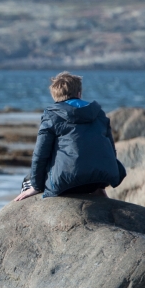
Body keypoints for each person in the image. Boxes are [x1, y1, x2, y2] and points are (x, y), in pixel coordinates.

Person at [14, 72, 126, 202]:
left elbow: (40, 154)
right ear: (79, 94)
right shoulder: (99, 113)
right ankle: (99, 190)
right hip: (100, 180)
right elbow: (110, 150)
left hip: (67, 183)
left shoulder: (52, 115)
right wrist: (100, 185)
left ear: (55, 97)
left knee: (27, 181)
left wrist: (36, 186)